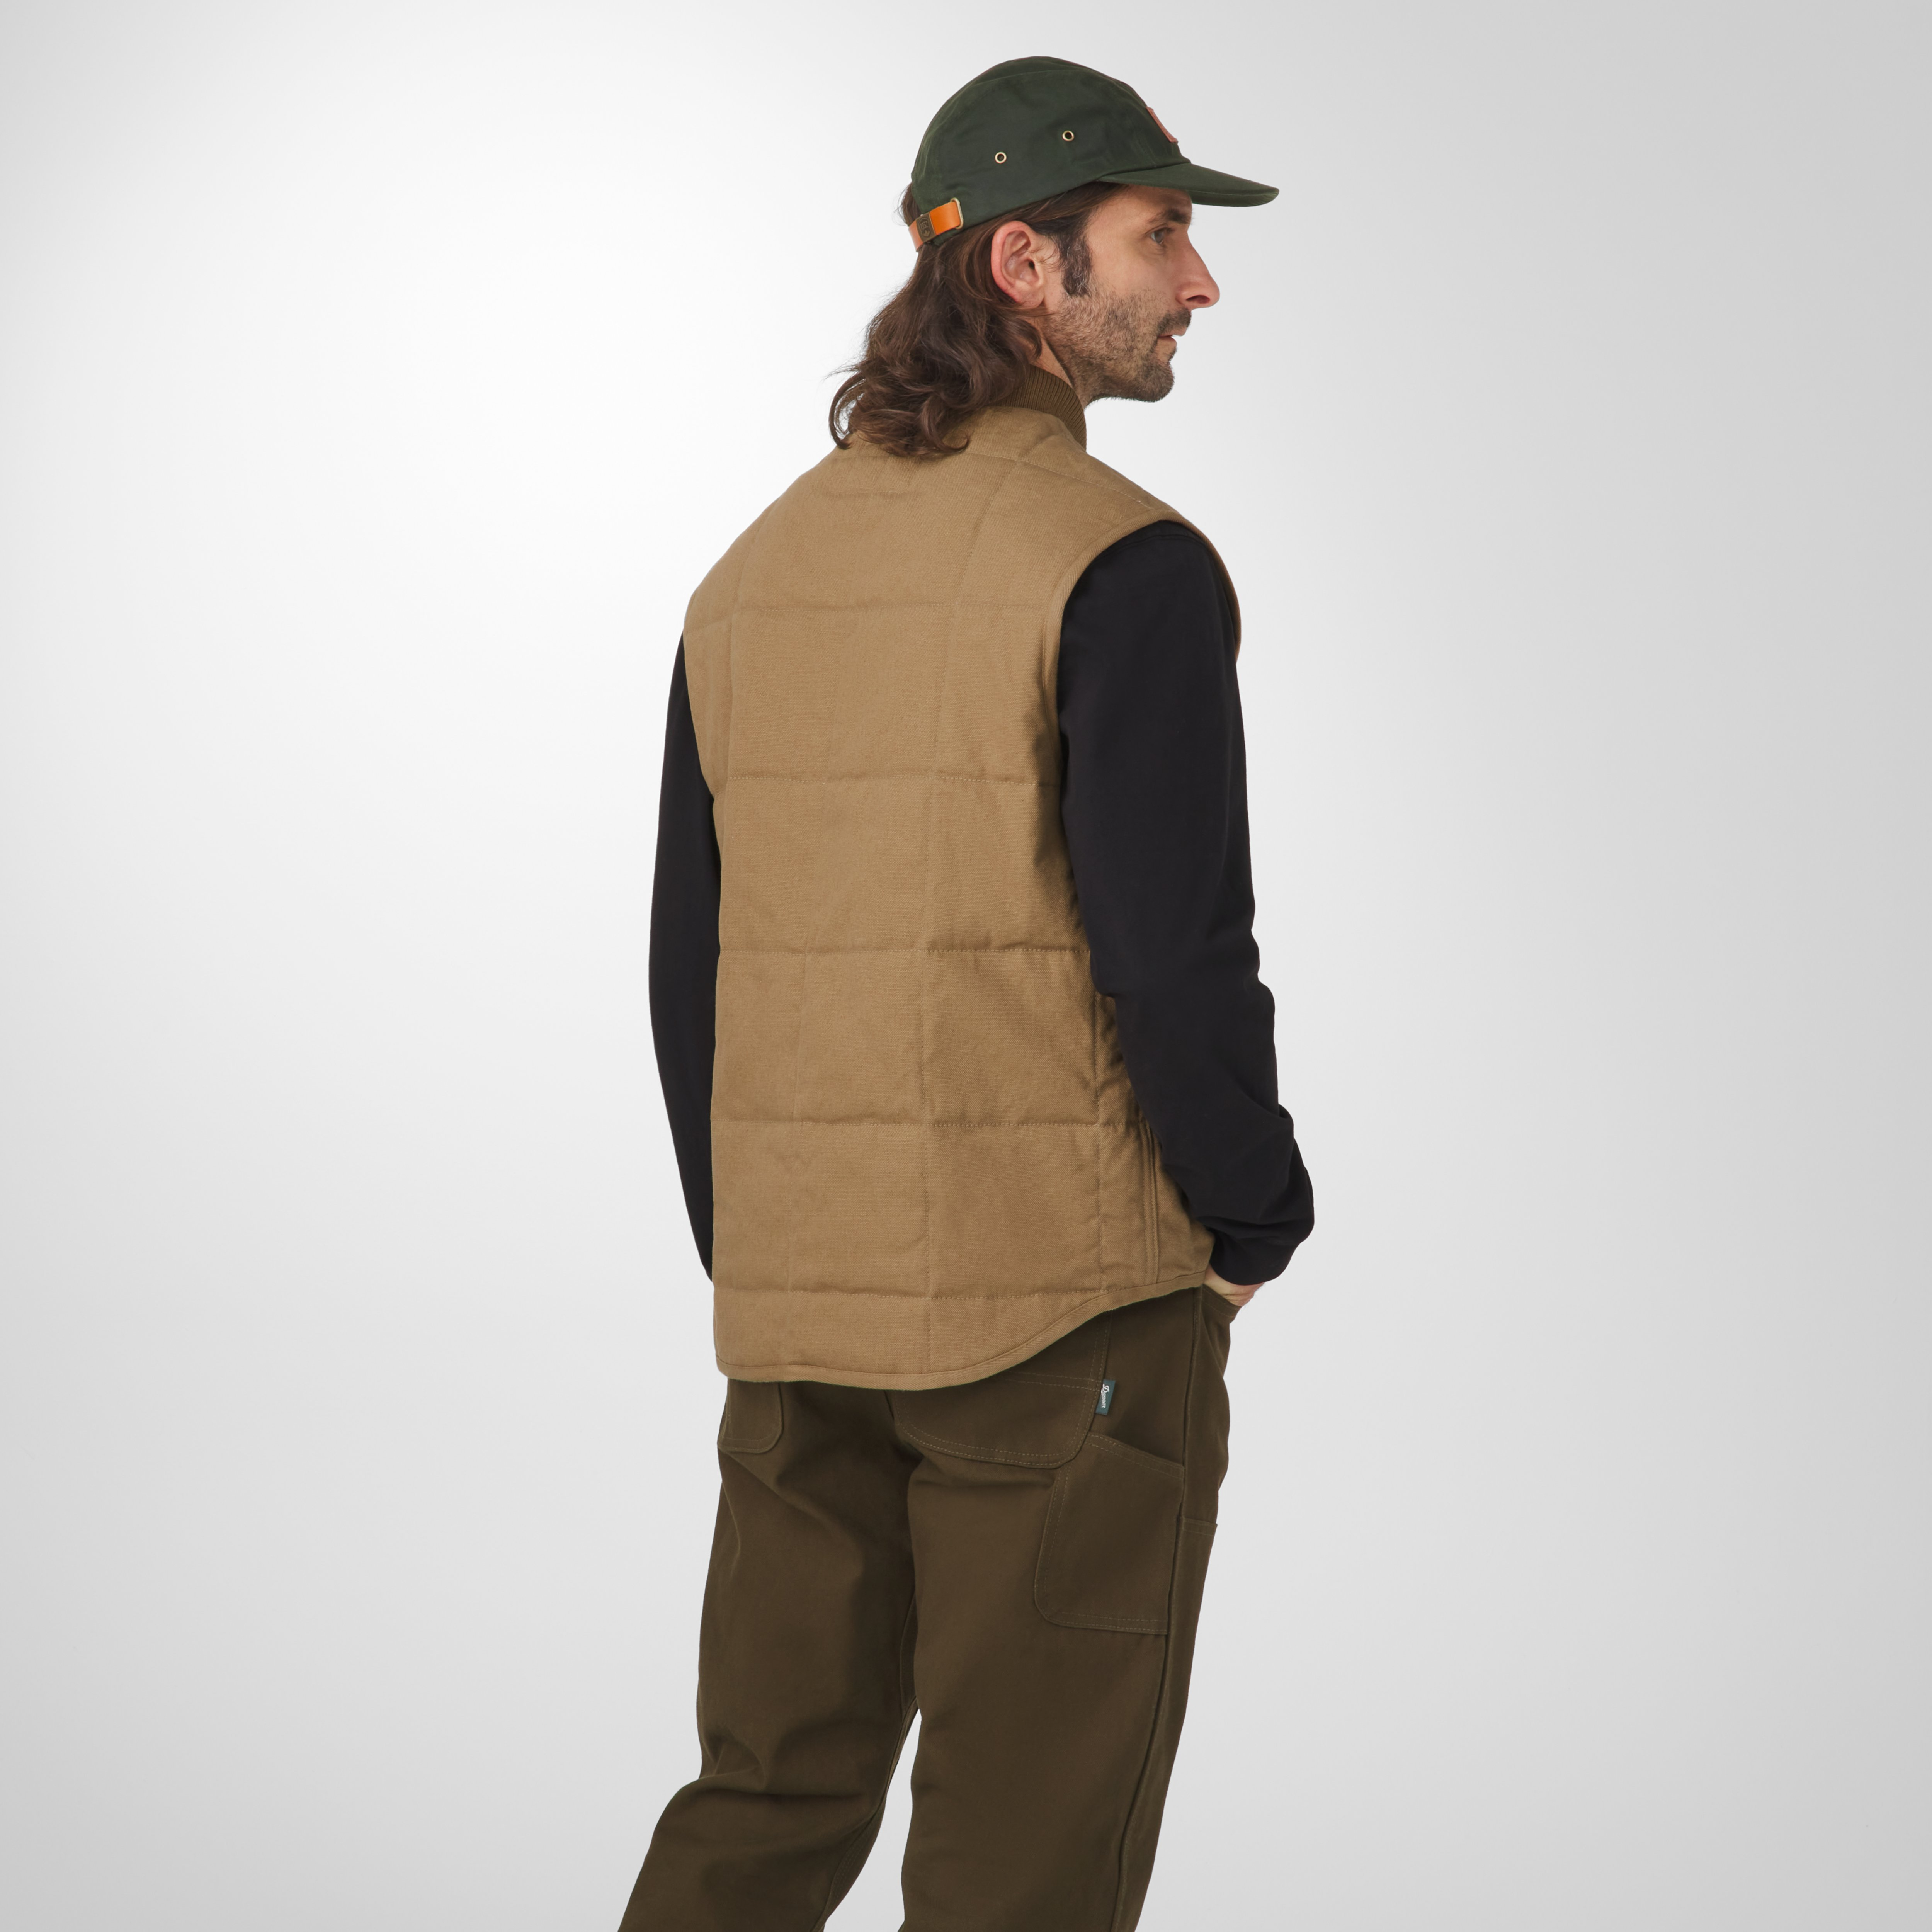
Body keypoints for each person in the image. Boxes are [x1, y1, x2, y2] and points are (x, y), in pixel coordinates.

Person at [624, 54, 1314, 1932]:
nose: (1198, 281)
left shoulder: (748, 577)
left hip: (799, 1307)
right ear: (1023, 261)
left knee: (763, 1800)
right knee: (1025, 1860)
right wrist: (1252, 1211)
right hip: (1060, 1317)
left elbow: (688, 959)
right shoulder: (1120, 564)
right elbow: (1175, 951)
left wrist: (762, 1244)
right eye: (1158, 235)